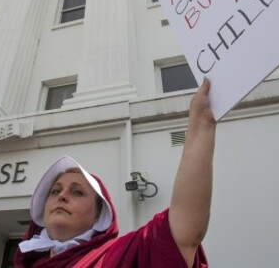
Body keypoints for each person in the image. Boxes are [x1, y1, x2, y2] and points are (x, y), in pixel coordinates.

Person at [15, 79, 216, 267]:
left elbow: (181, 233)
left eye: (77, 192)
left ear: (97, 216)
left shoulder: (116, 257)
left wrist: (202, 123)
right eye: (55, 191)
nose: (62, 196)